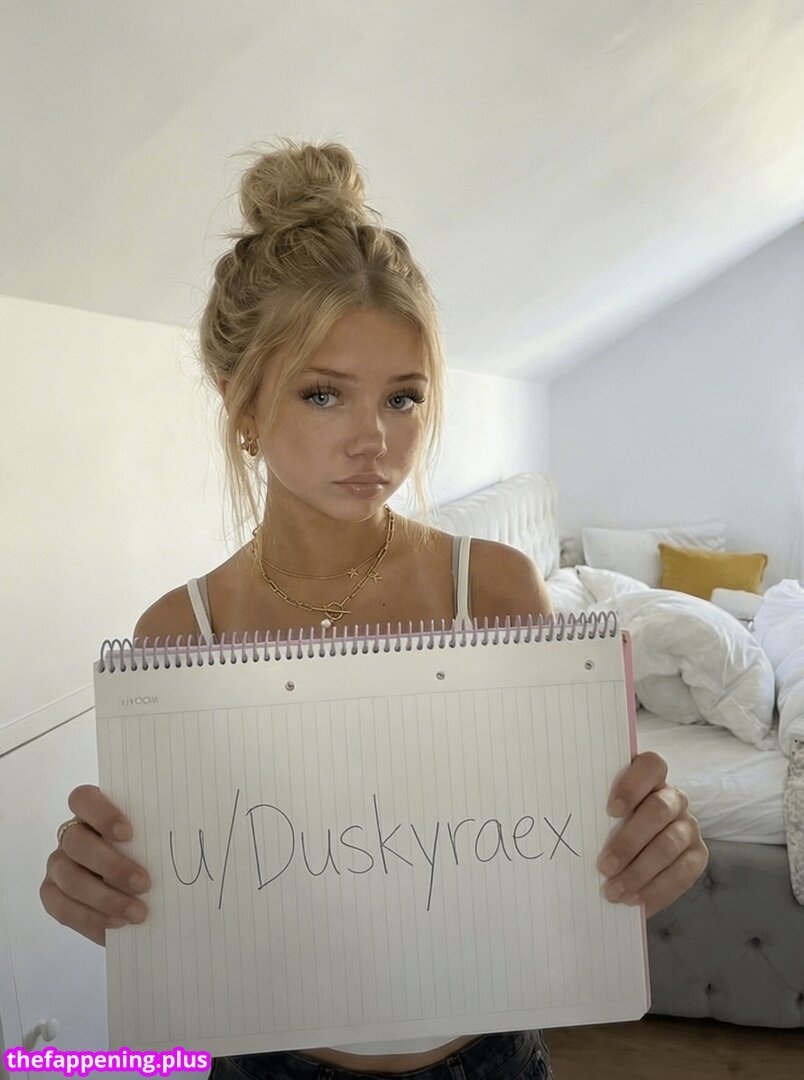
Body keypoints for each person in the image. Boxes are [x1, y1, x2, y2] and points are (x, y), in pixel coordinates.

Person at [40, 138, 708, 1080]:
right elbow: (195, 901)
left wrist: (648, 848)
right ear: (242, 404)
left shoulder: (496, 590)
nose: (374, 441)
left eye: (403, 399)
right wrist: (113, 901)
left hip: (488, 1057)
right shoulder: (178, 638)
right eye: (324, 395)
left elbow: (557, 854)